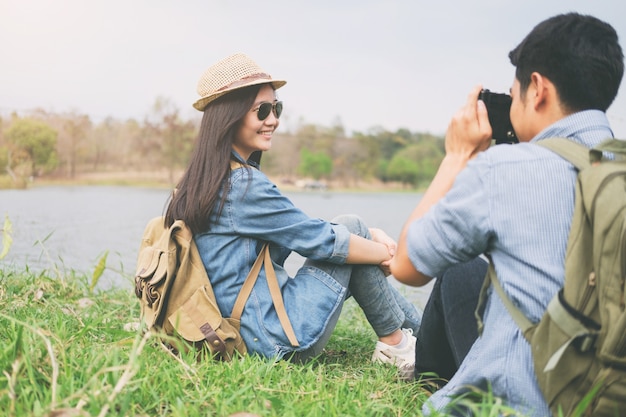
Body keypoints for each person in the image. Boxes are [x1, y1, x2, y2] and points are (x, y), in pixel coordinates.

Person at [390, 12, 623, 417]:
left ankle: (433, 382)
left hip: (517, 405)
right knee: (463, 270)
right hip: (606, 393)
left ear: (538, 90)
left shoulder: (505, 170)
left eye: (513, 94)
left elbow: (407, 266)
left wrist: (458, 157)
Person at [163, 53, 422, 375]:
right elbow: (323, 242)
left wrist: (369, 238)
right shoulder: (242, 185)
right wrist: (387, 254)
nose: (273, 120)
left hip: (231, 328)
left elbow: (297, 234)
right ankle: (402, 344)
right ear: (229, 116)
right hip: (271, 340)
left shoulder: (204, 179)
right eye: (262, 110)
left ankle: (415, 337)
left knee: (352, 231)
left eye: (276, 108)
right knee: (351, 233)